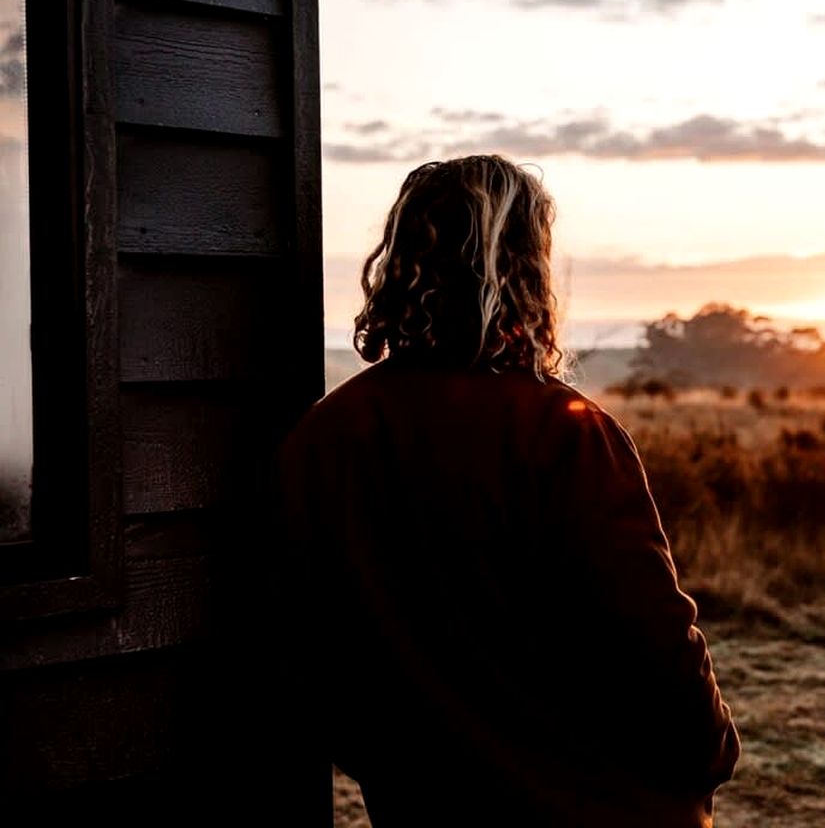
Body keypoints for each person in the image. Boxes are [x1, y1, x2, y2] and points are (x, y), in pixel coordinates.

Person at [273, 155, 740, 826]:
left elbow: (310, 652)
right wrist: (713, 754)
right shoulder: (566, 434)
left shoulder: (322, 439)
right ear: (523, 270)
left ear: (402, 262)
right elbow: (655, 644)